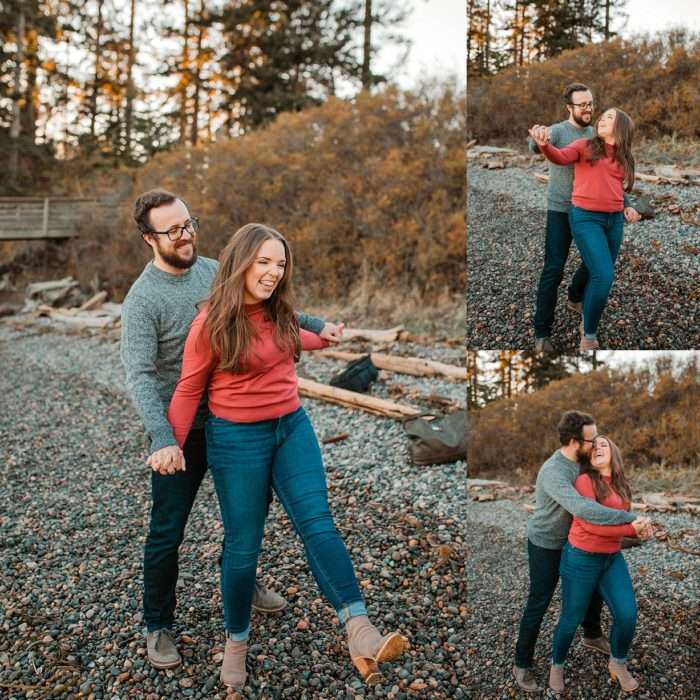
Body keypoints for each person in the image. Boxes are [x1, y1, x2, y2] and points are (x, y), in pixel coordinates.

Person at [167, 223, 407, 689]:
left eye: (280, 264)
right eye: (264, 262)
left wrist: (328, 334)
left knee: (317, 522)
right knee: (243, 546)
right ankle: (236, 640)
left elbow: (298, 336)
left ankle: (358, 627)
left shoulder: (279, 312)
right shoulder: (210, 323)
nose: (274, 272)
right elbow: (188, 389)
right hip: (237, 440)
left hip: (291, 428)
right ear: (240, 262)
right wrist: (169, 446)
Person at [120, 190, 343, 670]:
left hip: (234, 424)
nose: (186, 235)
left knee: (248, 517)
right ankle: (157, 623)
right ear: (148, 239)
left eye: (189, 224)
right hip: (178, 431)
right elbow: (139, 374)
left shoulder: (212, 269)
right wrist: (162, 438)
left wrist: (317, 323)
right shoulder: (142, 300)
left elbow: (264, 310)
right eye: (172, 230)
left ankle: (238, 578)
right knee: (167, 530)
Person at [512, 410, 651, 693]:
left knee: (594, 592)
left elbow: (607, 486)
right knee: (539, 601)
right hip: (547, 543)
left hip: (577, 540)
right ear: (575, 441)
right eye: (591, 439)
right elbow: (585, 509)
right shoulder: (554, 471)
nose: (596, 442)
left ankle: (591, 635)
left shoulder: (583, 460)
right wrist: (629, 521)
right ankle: (521, 662)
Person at [528, 83, 640, 353]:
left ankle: (576, 297)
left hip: (596, 212)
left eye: (590, 103)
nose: (589, 109)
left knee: (594, 264)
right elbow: (539, 145)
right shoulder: (559, 130)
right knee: (553, 269)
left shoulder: (597, 134)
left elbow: (610, 178)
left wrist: (626, 203)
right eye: (582, 105)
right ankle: (542, 333)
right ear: (570, 107)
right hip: (561, 209)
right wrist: (540, 139)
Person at [549, 435, 645, 694]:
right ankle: (556, 665)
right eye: (595, 448)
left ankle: (618, 663)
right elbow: (592, 524)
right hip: (580, 558)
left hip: (611, 558)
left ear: (614, 452)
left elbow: (619, 526)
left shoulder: (622, 484)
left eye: (604, 445)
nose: (599, 448)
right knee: (571, 618)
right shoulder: (585, 480)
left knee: (627, 614)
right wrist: (633, 529)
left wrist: (643, 531)